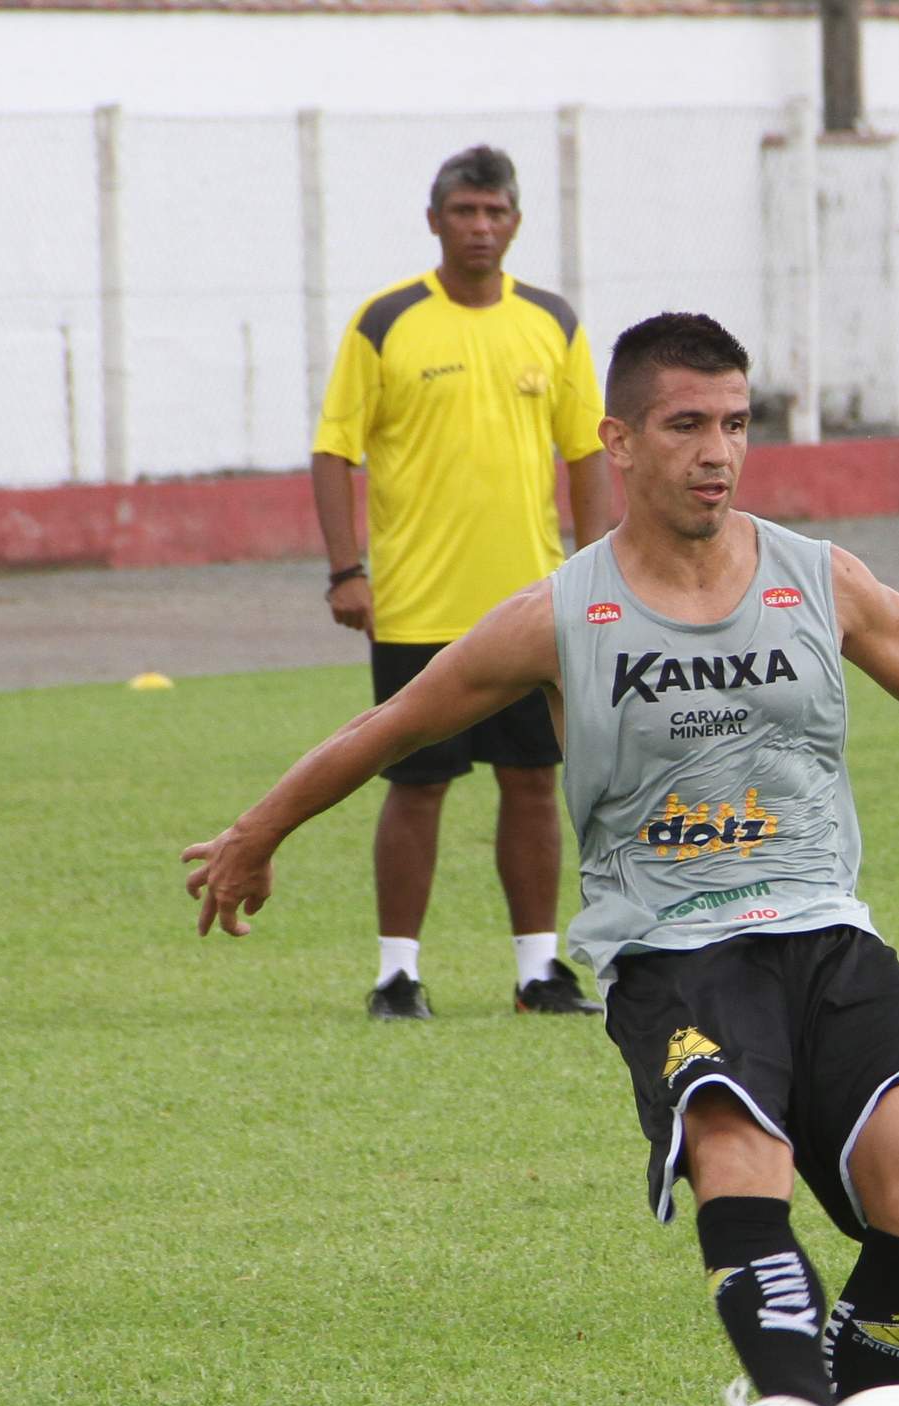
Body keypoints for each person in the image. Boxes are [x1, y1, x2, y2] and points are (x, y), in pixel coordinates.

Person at [186, 312, 899, 1406]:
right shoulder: (561, 616)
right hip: (670, 946)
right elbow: (393, 727)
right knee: (738, 1136)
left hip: (822, 927)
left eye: (735, 424)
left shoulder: (818, 578)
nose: (717, 452)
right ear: (618, 440)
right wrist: (257, 834)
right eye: (687, 425)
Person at [312, 143, 613, 1021]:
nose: (481, 228)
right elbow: (336, 450)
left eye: (496, 212)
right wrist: (345, 569)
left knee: (531, 780)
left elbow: (590, 450)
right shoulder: (387, 321)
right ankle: (397, 974)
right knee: (416, 782)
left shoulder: (551, 322)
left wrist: (594, 570)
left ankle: (539, 971)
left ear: (516, 221)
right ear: (435, 219)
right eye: (465, 212)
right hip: (416, 604)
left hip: (529, 604)